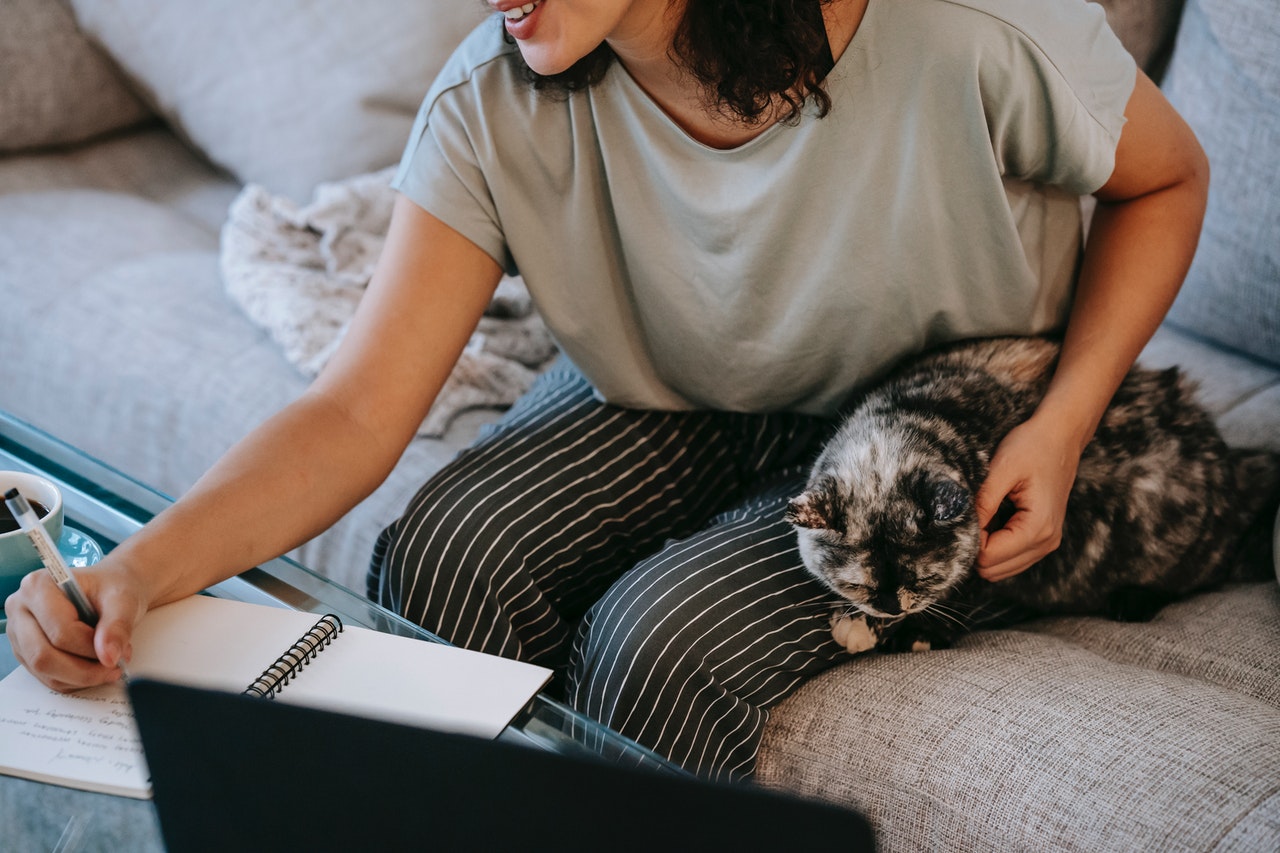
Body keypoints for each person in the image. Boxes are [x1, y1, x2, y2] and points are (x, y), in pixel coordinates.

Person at [6, 0, 1207, 782]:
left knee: (657, 645)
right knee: (442, 557)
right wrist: (140, 571)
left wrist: (1063, 424)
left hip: (939, 417)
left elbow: (1164, 180)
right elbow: (354, 409)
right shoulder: (494, 100)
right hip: (674, 383)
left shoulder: (956, 26)